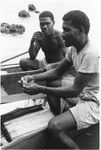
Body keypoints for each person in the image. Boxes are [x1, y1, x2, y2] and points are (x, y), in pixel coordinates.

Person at [21, 10, 100, 149]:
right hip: (83, 93)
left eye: (66, 30)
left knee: (54, 126)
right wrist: (32, 77)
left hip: (93, 101)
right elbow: (57, 72)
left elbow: (75, 91)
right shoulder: (74, 49)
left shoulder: (91, 53)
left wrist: (39, 88)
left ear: (80, 30)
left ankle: (63, 128)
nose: (62, 33)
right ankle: (63, 117)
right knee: (51, 82)